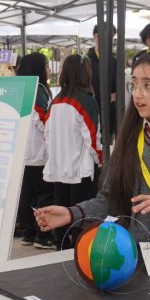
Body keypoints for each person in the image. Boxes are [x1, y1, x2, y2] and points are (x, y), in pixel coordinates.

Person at [36, 50, 150, 284]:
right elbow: (110, 200)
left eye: (148, 85)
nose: (137, 94)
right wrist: (71, 213)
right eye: (133, 85)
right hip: (135, 257)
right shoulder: (130, 136)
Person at [43, 54, 102, 249]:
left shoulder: (56, 101)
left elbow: (47, 135)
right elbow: (93, 137)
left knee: (61, 213)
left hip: (58, 169)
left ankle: (61, 246)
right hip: (80, 170)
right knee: (81, 215)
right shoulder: (86, 100)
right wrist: (100, 160)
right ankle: (80, 250)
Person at [15, 53, 55, 249]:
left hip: (23, 152)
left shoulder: (20, 88)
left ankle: (28, 232)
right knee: (44, 194)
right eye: (47, 65)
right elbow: (43, 119)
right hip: (38, 152)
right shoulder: (38, 89)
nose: (48, 69)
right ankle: (42, 234)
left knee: (27, 194)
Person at [87, 24, 117, 139]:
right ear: (95, 36)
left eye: (110, 37)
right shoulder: (85, 62)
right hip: (90, 115)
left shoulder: (115, 62)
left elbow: (119, 88)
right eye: (102, 36)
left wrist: (116, 96)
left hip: (109, 117)